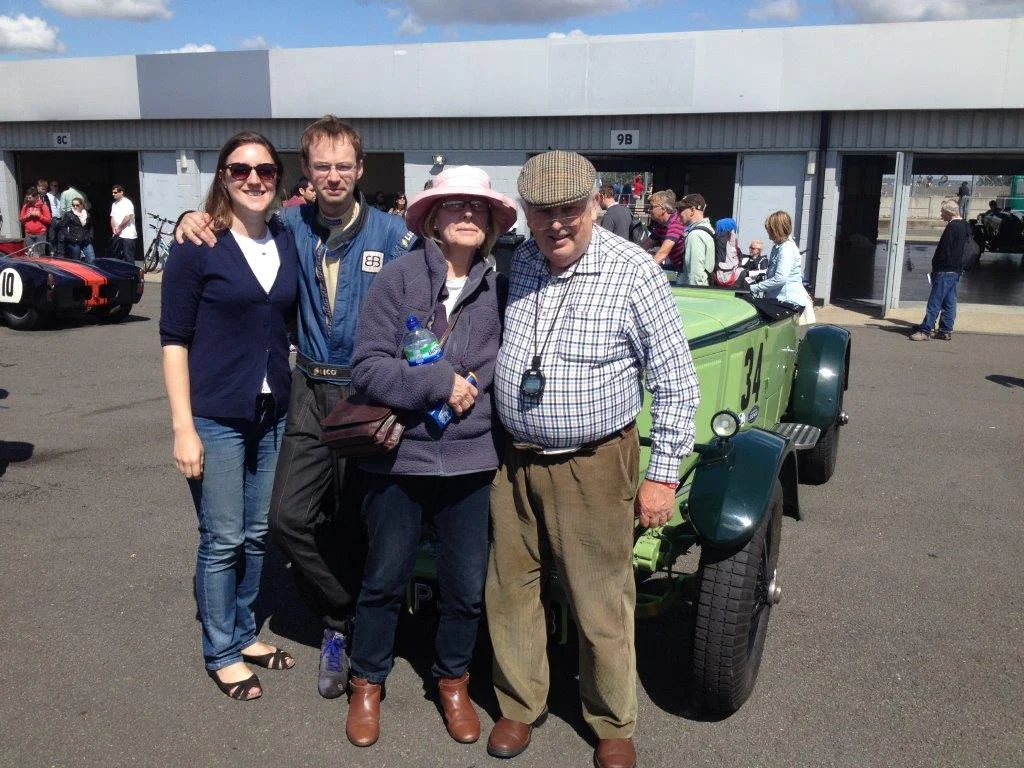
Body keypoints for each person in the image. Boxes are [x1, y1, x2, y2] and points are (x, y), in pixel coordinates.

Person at [175, 115, 413, 701]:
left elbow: (427, 306)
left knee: (360, 519)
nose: (333, 176)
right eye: (322, 166)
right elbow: (231, 233)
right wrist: (191, 218)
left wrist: (429, 380)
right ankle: (342, 614)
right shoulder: (289, 227)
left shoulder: (394, 235)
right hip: (305, 391)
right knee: (286, 519)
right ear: (306, 173)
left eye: (344, 165)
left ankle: (358, 637)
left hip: (369, 394)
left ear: (360, 169)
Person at [485, 151, 700, 768]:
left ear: (595, 205)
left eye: (569, 210)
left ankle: (611, 719)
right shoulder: (519, 260)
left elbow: (676, 381)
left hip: (594, 462)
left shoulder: (634, 272)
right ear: (526, 212)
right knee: (510, 589)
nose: (557, 224)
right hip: (513, 459)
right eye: (543, 211)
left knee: (600, 596)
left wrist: (661, 477)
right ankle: (520, 705)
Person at [344, 166, 516, 748]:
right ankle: (367, 682)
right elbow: (367, 366)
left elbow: (505, 361)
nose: (467, 215)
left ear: (490, 222)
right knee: (384, 579)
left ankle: (453, 681)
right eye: (454, 206)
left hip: (471, 461)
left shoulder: (501, 283)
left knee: (466, 586)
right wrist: (441, 383)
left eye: (478, 207)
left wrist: (474, 383)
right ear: (434, 219)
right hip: (402, 459)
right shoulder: (396, 280)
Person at [160, 130, 299, 701]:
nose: (253, 179)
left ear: (277, 179)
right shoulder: (197, 245)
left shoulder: (287, 238)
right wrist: (182, 427)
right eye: (240, 170)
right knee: (222, 537)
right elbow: (174, 339)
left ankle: (243, 631)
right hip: (214, 415)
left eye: (264, 170)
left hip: (270, 412)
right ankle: (220, 649)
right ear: (223, 177)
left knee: (259, 532)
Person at [910, 199, 971, 341]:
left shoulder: (952, 227)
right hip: (956, 269)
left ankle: (926, 330)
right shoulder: (965, 225)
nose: (941, 214)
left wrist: (936, 266)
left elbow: (945, 250)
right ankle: (945, 330)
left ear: (949, 212)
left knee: (935, 301)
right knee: (950, 301)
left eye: (942, 212)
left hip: (945, 269)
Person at [748, 210, 815, 325]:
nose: (768, 235)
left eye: (769, 231)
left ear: (776, 230)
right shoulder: (778, 247)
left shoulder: (786, 249)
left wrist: (754, 288)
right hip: (779, 301)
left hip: (788, 303)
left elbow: (780, 279)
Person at [676, 193, 715, 286]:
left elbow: (696, 275)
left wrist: (695, 298)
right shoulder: (709, 230)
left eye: (680, 210)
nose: (678, 213)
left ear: (692, 210)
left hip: (696, 294)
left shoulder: (695, 236)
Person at [643, 190, 685, 271]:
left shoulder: (676, 222)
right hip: (675, 265)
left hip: (684, 269)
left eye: (652, 207)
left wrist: (647, 271)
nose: (649, 210)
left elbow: (662, 254)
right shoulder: (661, 224)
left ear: (663, 209)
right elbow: (645, 245)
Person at [61, 197, 95, 263]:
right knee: (76, 261)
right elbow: (63, 226)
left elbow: (91, 226)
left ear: (82, 205)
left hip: (86, 240)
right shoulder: (69, 214)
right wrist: (69, 237)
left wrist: (90, 236)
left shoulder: (87, 214)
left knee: (92, 259)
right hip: (74, 241)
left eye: (77, 205)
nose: (75, 207)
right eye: (73, 205)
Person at [110, 184, 138, 262]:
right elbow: (112, 217)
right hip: (117, 234)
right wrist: (114, 228)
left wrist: (119, 228)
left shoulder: (127, 203)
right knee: (116, 257)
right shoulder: (114, 204)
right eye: (113, 192)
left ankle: (131, 274)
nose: (113, 194)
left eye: (115, 192)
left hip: (128, 235)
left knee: (128, 257)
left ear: (121, 192)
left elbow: (127, 217)